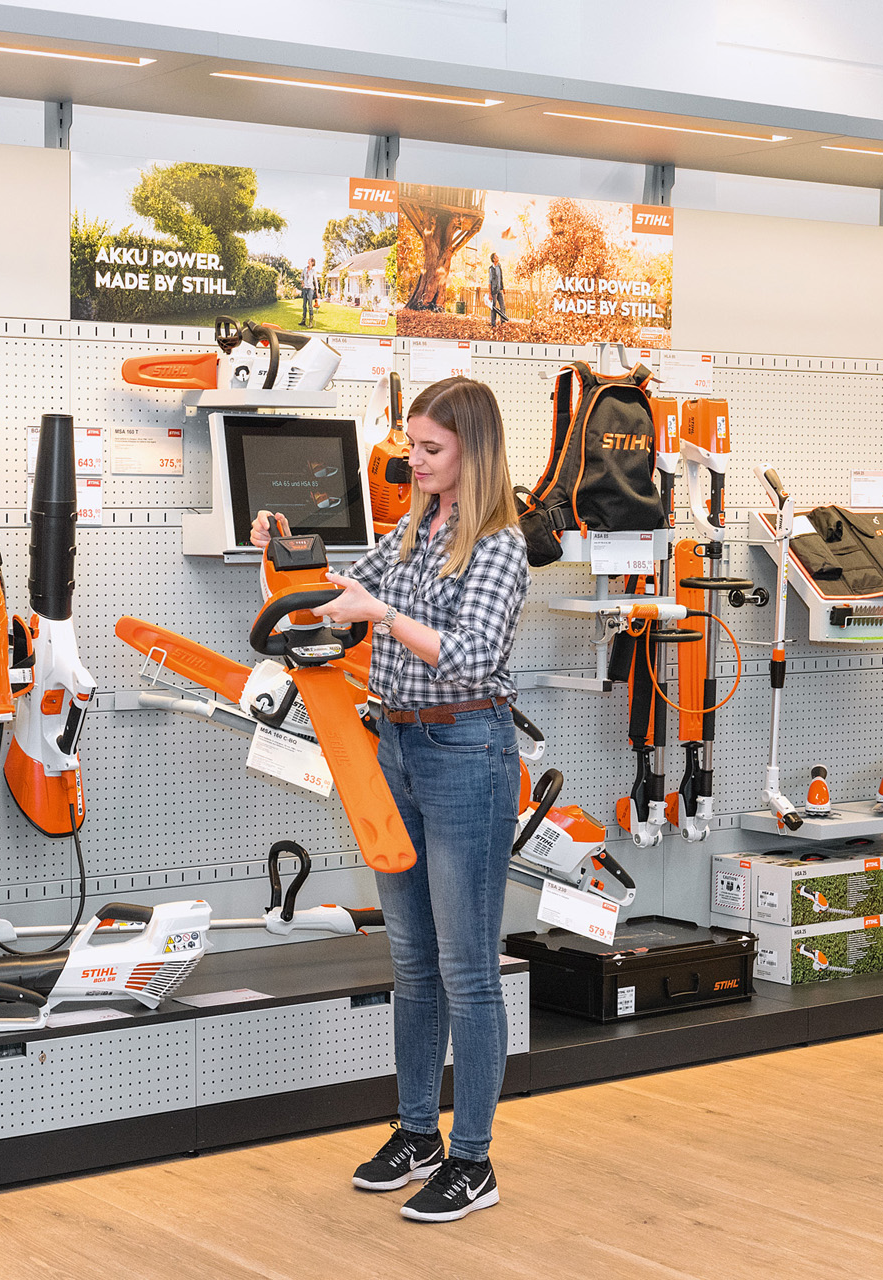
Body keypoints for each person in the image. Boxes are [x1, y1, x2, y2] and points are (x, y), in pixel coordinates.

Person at [250, 375, 528, 1224]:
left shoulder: (500, 544)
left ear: (472, 453)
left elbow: (473, 655)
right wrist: (290, 553)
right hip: (397, 745)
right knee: (412, 961)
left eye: (432, 449)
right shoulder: (412, 527)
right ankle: (418, 1132)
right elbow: (340, 598)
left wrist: (386, 616)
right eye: (412, 444)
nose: (416, 459)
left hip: (468, 749)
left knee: (468, 970)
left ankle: (474, 1158)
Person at [488, 252, 507, 326]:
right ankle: (493, 324)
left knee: (502, 306)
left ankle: (503, 322)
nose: (498, 257)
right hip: (493, 291)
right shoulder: (491, 269)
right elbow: (489, 281)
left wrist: (503, 288)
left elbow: (501, 278)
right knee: (494, 308)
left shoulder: (499, 267)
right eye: (496, 256)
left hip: (499, 290)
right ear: (493, 259)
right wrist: (490, 293)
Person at [300, 257, 318, 326]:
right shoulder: (305, 269)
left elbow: (316, 281)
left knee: (310, 305)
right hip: (305, 288)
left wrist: (317, 291)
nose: (308, 261)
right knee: (304, 305)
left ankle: (310, 323)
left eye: (310, 260)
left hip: (310, 289)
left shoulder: (313, 271)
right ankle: (303, 321)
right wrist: (302, 283)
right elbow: (301, 276)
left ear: (312, 262)